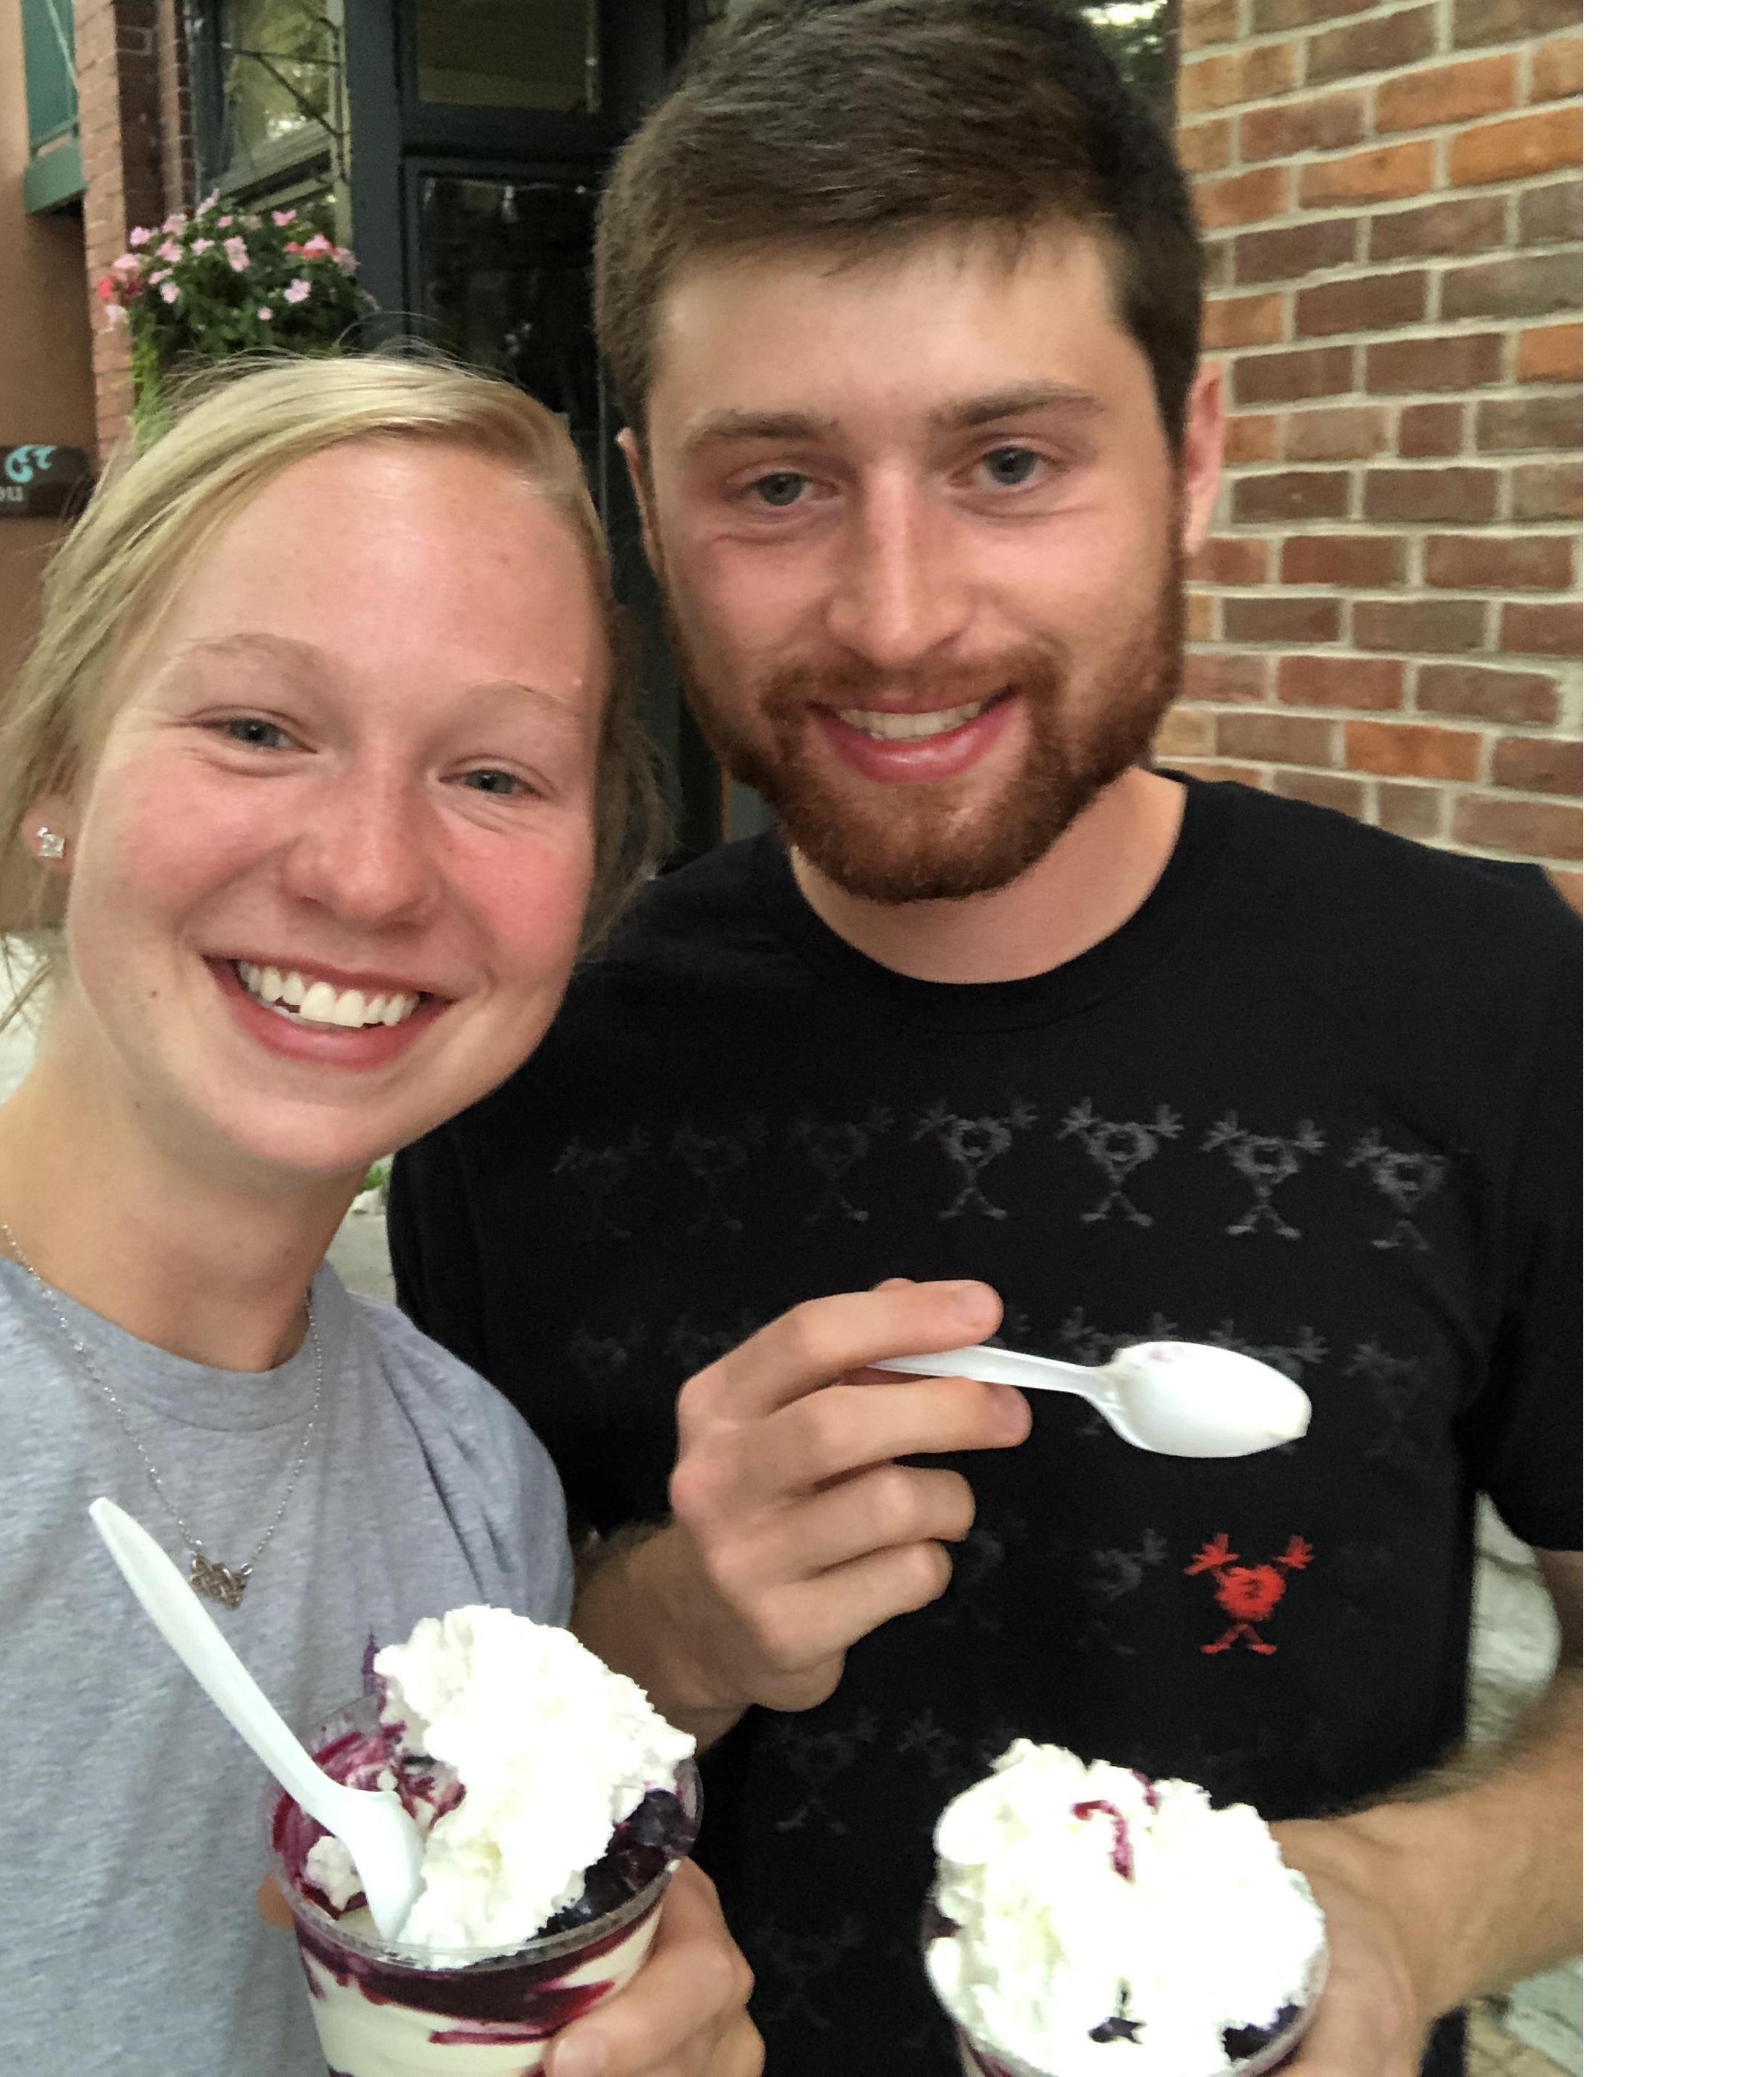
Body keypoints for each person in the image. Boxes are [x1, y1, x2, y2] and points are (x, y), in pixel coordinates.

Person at [386, 4, 1582, 2074]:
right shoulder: (521, 1078)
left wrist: (1401, 1910)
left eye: (1007, 461)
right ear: (648, 506)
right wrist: (671, 1619)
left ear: (1190, 452)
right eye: (775, 482)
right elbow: (454, 1748)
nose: (896, 611)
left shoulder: (1489, 1007)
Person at [0, 356, 760, 2077]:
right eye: (260, 729)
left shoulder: (474, 1491)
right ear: (61, 770)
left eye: (497, 776)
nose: (367, 873)